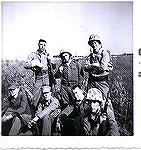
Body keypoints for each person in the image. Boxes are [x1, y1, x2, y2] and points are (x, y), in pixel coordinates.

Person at [24, 39, 56, 108]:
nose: (43, 46)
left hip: (47, 77)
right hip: (38, 77)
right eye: (41, 44)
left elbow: (54, 67)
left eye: (44, 45)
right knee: (35, 97)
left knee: (47, 95)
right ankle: (34, 112)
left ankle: (46, 112)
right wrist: (35, 64)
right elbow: (25, 65)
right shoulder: (33, 54)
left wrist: (52, 62)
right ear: (38, 45)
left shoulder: (48, 55)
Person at [84, 34, 113, 98]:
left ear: (99, 44)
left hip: (102, 81)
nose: (94, 45)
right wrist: (95, 65)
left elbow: (102, 68)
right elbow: (85, 68)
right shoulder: (90, 56)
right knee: (90, 99)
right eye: (92, 43)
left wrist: (91, 67)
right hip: (92, 81)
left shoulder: (105, 54)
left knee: (105, 101)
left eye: (95, 43)